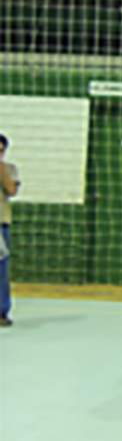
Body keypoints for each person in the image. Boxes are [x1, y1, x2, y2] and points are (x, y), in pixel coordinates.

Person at [0, 134, 20, 327]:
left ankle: (1, 311)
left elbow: (11, 190)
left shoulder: (10, 169)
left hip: (1, 224)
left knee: (1, 271)